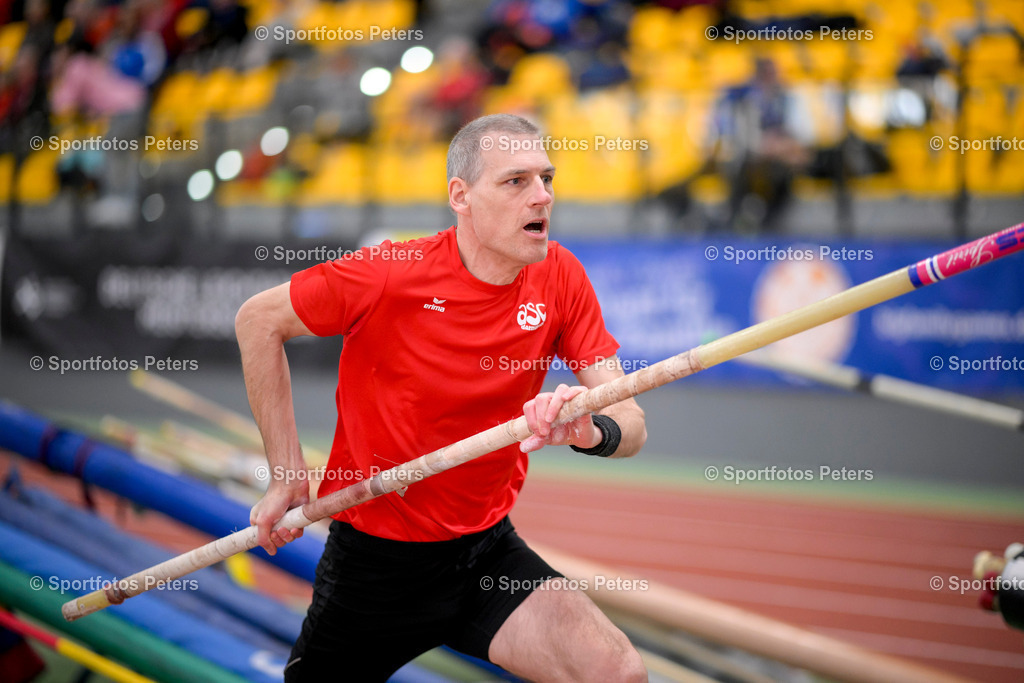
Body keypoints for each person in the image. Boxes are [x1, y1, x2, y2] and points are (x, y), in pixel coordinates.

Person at [235, 113, 648, 682]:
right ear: (461, 196)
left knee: (616, 672)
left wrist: (590, 431)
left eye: (547, 179)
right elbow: (257, 321)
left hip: (485, 555)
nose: (542, 197)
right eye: (516, 181)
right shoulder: (391, 274)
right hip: (375, 565)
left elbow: (630, 419)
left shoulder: (560, 276)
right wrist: (286, 473)